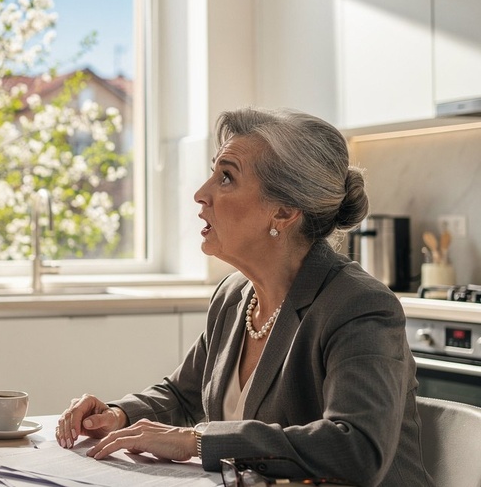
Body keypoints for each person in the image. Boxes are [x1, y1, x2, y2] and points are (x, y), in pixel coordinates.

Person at [55, 107, 431, 486]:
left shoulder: (358, 305)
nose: (201, 194)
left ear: (283, 212)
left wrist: (197, 441)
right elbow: (184, 395)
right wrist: (118, 414)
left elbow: (355, 449)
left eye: (226, 178)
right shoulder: (234, 295)